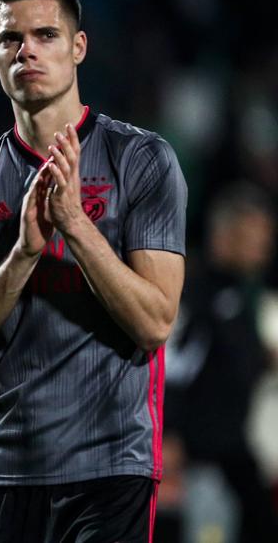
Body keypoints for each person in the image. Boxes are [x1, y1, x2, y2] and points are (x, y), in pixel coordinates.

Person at [0, 0, 187, 542]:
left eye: (46, 35)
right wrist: (25, 252)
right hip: (5, 469)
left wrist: (74, 223)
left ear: (78, 47)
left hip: (109, 470)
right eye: (10, 39)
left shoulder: (142, 160)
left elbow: (154, 322)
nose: (27, 50)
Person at [166, 183, 278, 540]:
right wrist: (169, 434)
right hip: (204, 458)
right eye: (254, 235)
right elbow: (175, 368)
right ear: (226, 234)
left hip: (235, 451)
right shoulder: (197, 293)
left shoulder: (238, 294)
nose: (263, 246)